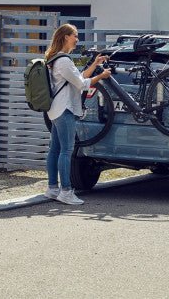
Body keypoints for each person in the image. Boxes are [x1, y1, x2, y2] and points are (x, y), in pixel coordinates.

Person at [43, 23, 111, 205]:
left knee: (55, 150)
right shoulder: (63, 61)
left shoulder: (55, 59)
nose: (77, 39)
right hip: (64, 109)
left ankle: (52, 189)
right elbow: (82, 84)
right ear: (66, 37)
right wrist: (101, 76)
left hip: (56, 109)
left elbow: (78, 78)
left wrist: (95, 64)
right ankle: (65, 191)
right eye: (75, 35)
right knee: (66, 151)